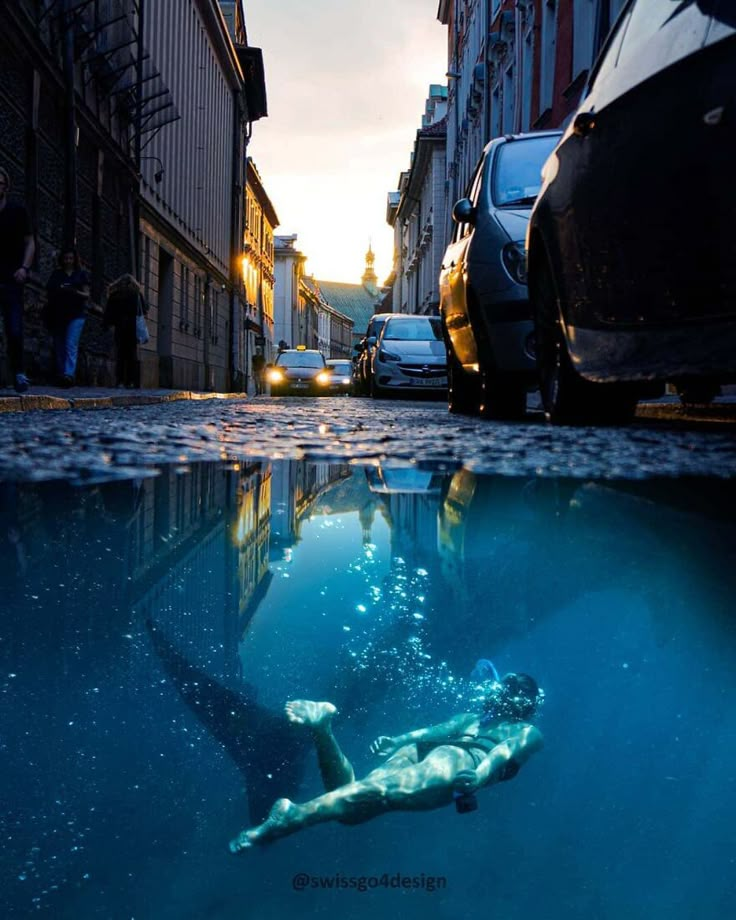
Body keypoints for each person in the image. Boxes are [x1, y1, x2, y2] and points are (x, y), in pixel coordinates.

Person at [229, 671, 544, 852]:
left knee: (356, 806)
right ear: (529, 704)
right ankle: (292, 817)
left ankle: (323, 729)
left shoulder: (473, 717)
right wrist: (478, 774)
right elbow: (502, 752)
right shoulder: (528, 730)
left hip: (429, 750)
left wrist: (400, 741)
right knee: (378, 795)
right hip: (460, 760)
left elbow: (435, 731)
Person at [0, 166, 35, 393]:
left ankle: (19, 373)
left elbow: (30, 241)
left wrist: (24, 267)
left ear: (6, 186)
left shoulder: (17, 211)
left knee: (14, 328)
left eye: (0, 183)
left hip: (12, 277)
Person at [45, 248, 90, 387]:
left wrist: (74, 291)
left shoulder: (81, 274)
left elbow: (86, 294)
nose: (68, 261)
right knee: (59, 344)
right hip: (58, 314)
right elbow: (49, 291)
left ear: (75, 260)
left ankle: (68, 375)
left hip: (76, 314)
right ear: (62, 260)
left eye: (71, 258)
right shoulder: (57, 274)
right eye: (66, 258)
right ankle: (61, 373)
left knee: (71, 344)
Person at [103, 273, 146, 388]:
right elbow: (145, 309)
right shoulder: (136, 295)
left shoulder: (115, 295)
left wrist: (107, 325)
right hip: (132, 329)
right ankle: (131, 381)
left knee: (120, 355)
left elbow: (109, 312)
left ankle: (120, 380)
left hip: (120, 328)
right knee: (132, 354)